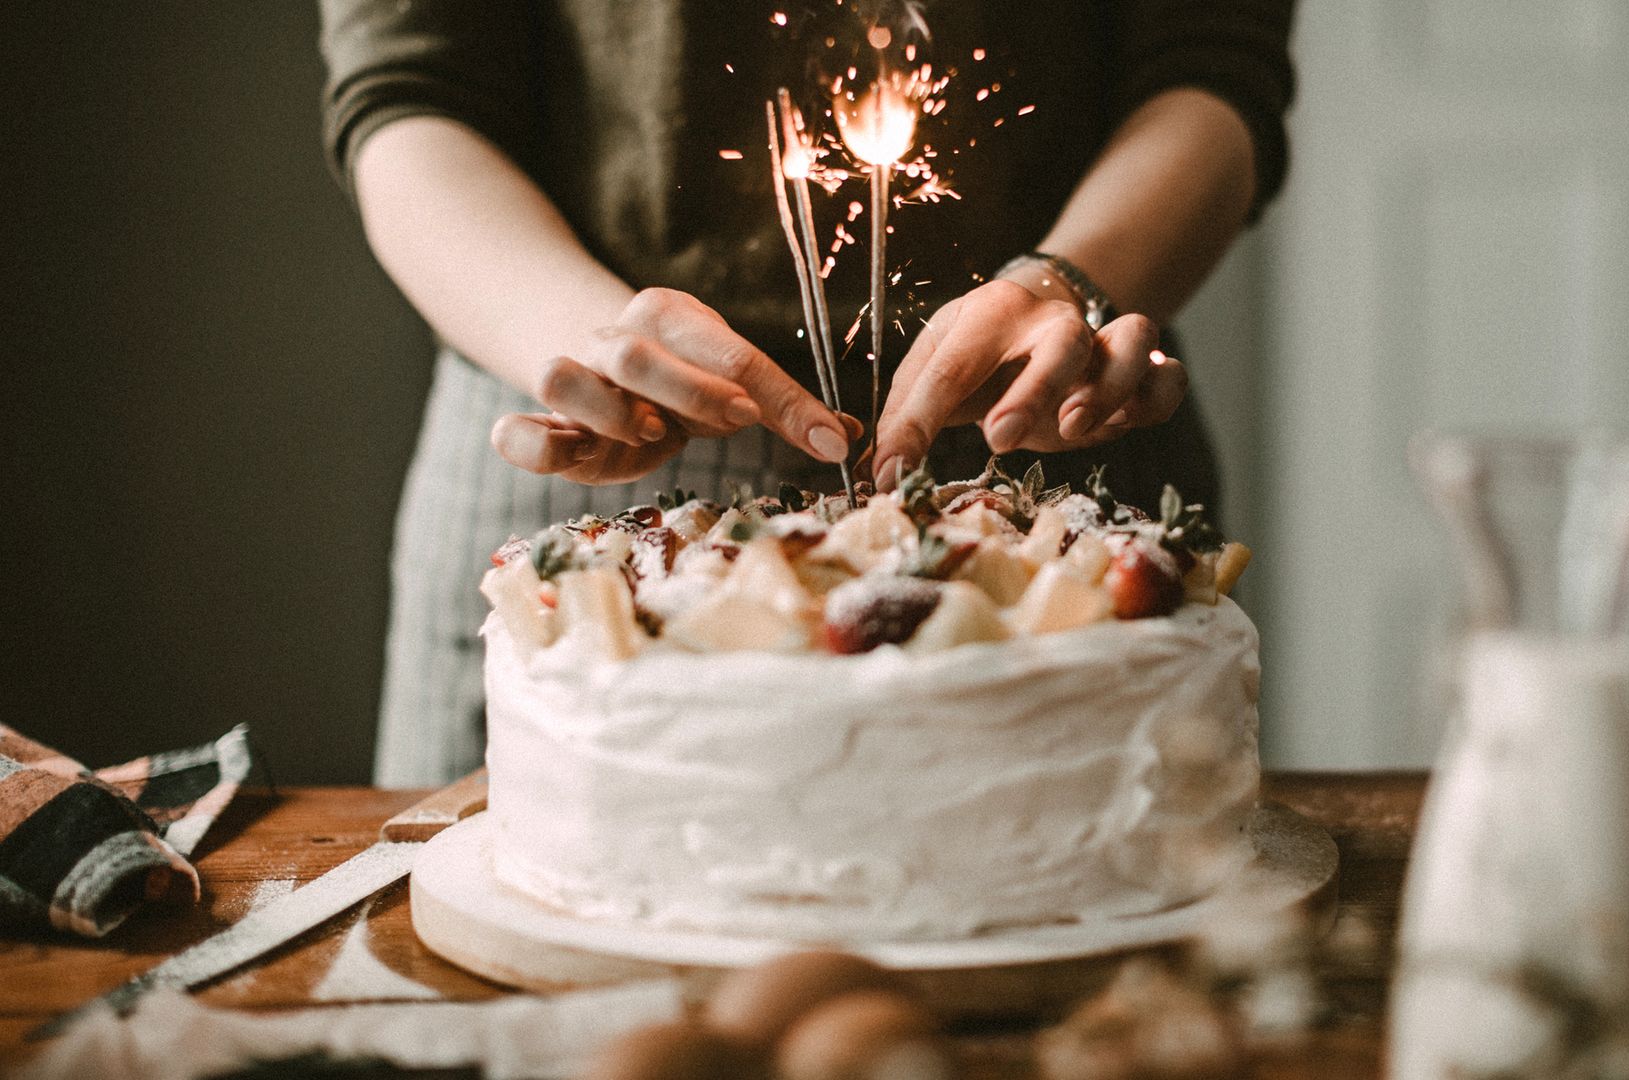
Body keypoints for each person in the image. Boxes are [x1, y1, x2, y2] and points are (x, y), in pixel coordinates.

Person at [320, 0, 1296, 785]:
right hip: (590, 444)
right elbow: (410, 89)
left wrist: (1070, 285)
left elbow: (1210, 65)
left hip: (1047, 443)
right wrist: (590, 342)